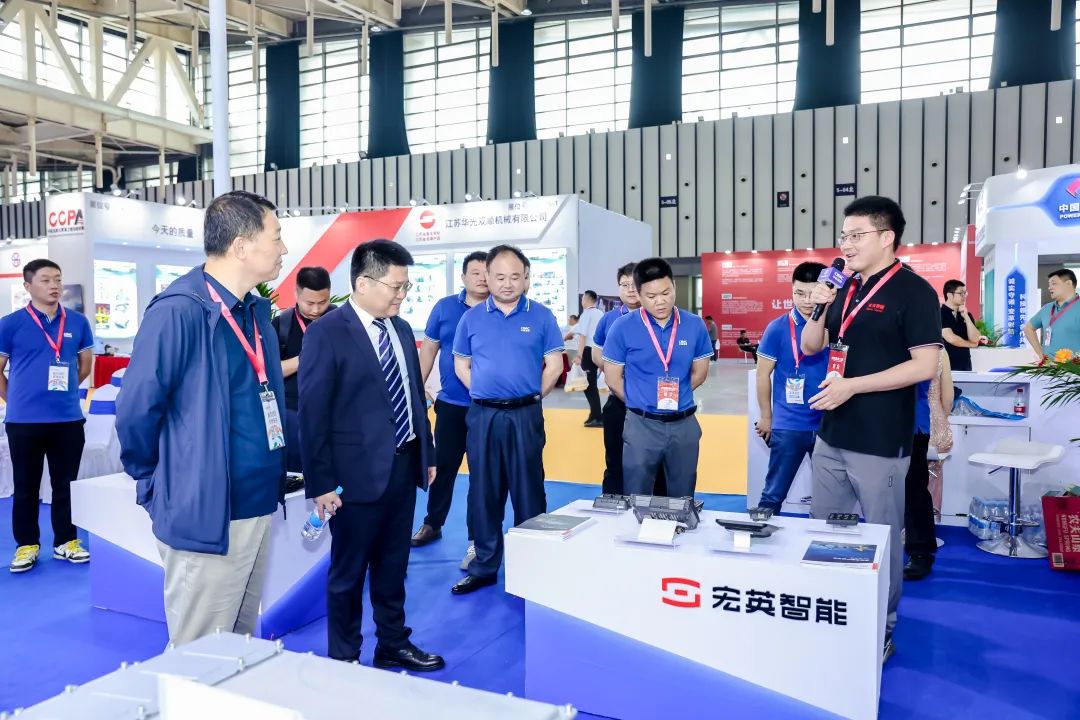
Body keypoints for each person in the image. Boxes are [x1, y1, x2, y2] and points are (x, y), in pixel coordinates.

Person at [117, 190, 288, 644]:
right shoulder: (179, 311)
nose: (284, 248)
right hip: (208, 511)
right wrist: (159, 483)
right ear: (241, 246)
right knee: (199, 651)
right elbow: (136, 412)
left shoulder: (255, 312)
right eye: (276, 237)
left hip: (257, 503)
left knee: (240, 643)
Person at [801, 195, 941, 663]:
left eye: (856, 235)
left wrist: (853, 387)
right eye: (843, 236)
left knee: (881, 538)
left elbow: (924, 366)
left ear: (887, 237)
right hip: (831, 433)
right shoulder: (844, 287)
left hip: (880, 440)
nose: (846, 244)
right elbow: (812, 345)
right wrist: (819, 306)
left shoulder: (914, 292)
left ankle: (882, 627)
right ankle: (832, 615)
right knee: (826, 533)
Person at [299, 239, 443, 671]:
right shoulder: (327, 332)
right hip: (352, 477)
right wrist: (321, 482)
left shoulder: (401, 328)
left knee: (393, 565)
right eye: (396, 286)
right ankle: (344, 657)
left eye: (406, 287)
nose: (402, 295)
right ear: (364, 283)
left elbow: (414, 395)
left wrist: (426, 452)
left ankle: (393, 642)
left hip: (402, 466)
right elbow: (313, 413)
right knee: (348, 573)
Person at [450, 245, 564, 595]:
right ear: (487, 277)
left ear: (527, 278)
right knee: (484, 490)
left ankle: (532, 565)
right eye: (499, 277)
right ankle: (484, 566)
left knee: (529, 490)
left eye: (515, 276)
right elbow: (461, 364)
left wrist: (531, 396)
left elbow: (555, 365)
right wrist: (481, 391)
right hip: (483, 415)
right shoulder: (472, 318)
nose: (507, 283)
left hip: (525, 415)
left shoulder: (542, 316)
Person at [1, 259, 94, 573]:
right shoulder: (10, 324)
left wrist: (64, 393)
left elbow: (85, 365)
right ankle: (27, 545)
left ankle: (66, 541)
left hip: (67, 420)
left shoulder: (78, 322)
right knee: (25, 487)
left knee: (66, 485)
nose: (54, 285)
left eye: (57, 279)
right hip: (23, 422)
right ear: (28, 286)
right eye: (45, 280)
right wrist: (14, 399)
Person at [602, 258, 712, 498]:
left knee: (682, 495)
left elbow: (700, 373)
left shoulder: (694, 325)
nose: (660, 301)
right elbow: (613, 379)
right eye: (651, 296)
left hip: (683, 423)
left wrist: (678, 395)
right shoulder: (622, 327)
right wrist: (642, 401)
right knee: (637, 494)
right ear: (639, 295)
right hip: (641, 424)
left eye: (666, 292)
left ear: (674, 286)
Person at [411, 251, 489, 573]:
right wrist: (417, 388)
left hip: (487, 409)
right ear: (463, 277)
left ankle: (476, 538)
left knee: (482, 474)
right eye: (475, 273)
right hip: (451, 405)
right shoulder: (444, 308)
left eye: (486, 272)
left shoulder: (498, 309)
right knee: (442, 468)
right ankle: (433, 523)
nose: (482, 278)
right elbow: (428, 350)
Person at [753, 261, 828, 512]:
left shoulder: (834, 326)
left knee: (831, 496)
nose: (806, 301)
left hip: (830, 424)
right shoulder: (777, 328)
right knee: (773, 495)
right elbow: (763, 375)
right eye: (799, 293)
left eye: (812, 294)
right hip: (789, 424)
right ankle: (762, 530)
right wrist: (766, 417)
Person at [591, 263, 667, 497]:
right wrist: (617, 369)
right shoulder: (609, 319)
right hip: (619, 400)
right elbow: (596, 354)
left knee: (658, 462)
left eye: (634, 284)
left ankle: (658, 509)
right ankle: (614, 504)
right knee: (615, 459)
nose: (630, 290)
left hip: (654, 404)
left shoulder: (661, 317)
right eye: (624, 285)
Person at [271, 266, 334, 473]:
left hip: (335, 413)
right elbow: (269, 372)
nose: (316, 310)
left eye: (322, 302)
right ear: (296, 294)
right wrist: (304, 359)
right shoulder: (281, 325)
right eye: (309, 303)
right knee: (298, 475)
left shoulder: (342, 321)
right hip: (293, 413)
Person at [904, 349, 954, 581]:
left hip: (914, 425)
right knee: (916, 488)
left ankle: (919, 551)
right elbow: (948, 399)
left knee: (914, 488)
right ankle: (918, 551)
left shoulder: (929, 351)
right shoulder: (939, 351)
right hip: (923, 423)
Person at [1024, 268, 1079, 360]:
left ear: (1068, 283)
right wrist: (1040, 353)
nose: (1049, 287)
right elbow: (1028, 328)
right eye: (1049, 284)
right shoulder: (1047, 308)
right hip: (1048, 366)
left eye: (1054, 283)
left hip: (1074, 367)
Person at [574, 290, 604, 427]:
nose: (582, 301)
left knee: (589, 385)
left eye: (582, 299)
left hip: (588, 351)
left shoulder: (586, 314)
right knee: (591, 384)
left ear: (586, 299)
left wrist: (579, 355)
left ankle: (597, 416)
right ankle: (594, 414)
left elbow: (582, 336)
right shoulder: (600, 314)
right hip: (599, 350)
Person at [940, 279, 980, 372]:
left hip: (965, 364)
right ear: (949, 295)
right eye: (961, 293)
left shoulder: (966, 314)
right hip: (946, 365)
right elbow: (951, 339)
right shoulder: (939, 313)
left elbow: (975, 338)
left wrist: (966, 317)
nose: (964, 296)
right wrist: (972, 345)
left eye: (965, 293)